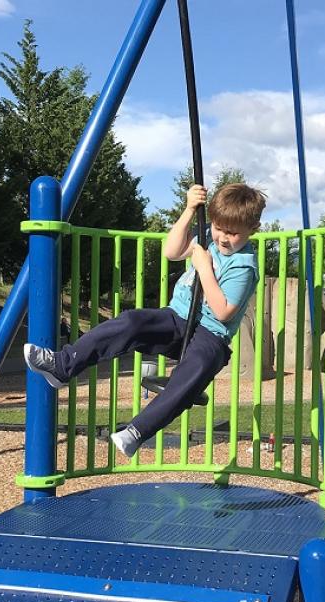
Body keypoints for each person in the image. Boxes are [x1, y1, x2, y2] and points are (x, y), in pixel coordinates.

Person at [24, 182, 266, 457]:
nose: (223, 238)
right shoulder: (207, 240)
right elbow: (172, 251)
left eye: (233, 233)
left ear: (253, 229)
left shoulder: (244, 265)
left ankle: (136, 431)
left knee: (197, 367)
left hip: (212, 336)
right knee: (131, 322)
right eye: (219, 228)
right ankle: (62, 365)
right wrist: (188, 210)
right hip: (178, 319)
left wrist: (204, 267)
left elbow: (223, 311)